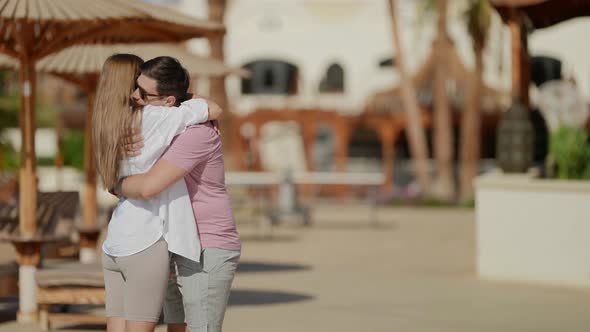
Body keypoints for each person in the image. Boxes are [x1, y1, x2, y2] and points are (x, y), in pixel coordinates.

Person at [92, 54, 222, 332]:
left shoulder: (106, 124)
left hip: (115, 241)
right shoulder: (161, 116)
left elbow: (113, 184)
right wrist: (175, 95)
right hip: (146, 241)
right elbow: (213, 108)